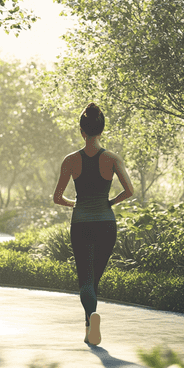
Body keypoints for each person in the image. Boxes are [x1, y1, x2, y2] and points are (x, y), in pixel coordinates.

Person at [53, 103, 134, 345]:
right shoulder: (111, 158)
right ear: (101, 130)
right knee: (94, 279)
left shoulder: (70, 160)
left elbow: (57, 197)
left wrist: (75, 204)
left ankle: (90, 321)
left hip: (81, 225)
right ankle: (91, 323)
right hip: (106, 225)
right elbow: (129, 191)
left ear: (81, 131)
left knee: (85, 280)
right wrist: (110, 201)